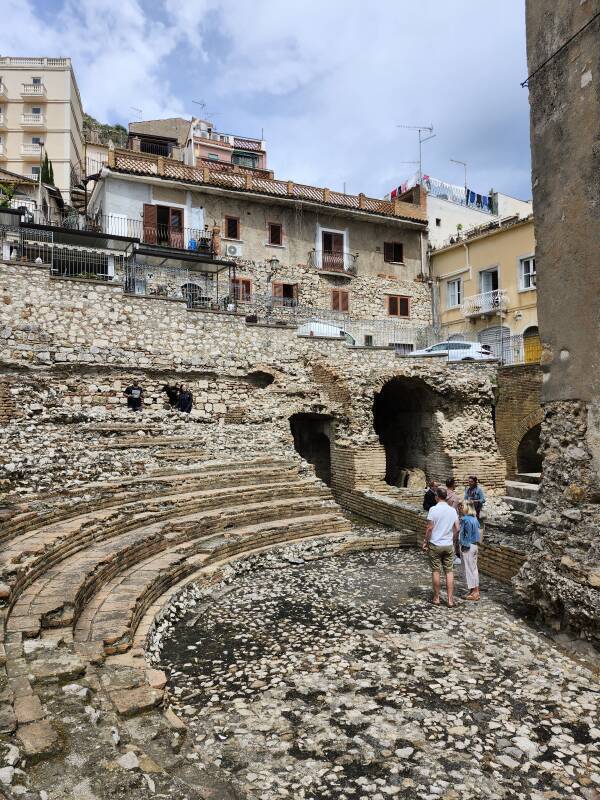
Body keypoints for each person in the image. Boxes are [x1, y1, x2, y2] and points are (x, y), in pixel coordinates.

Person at [423, 486, 460, 607]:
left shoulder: (433, 510)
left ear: (437, 497)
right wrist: (453, 539)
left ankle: (437, 598)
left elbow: (429, 528)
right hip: (448, 544)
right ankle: (450, 600)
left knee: (436, 571)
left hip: (435, 544)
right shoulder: (452, 511)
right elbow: (457, 528)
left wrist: (426, 541)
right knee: (449, 572)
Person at [458, 501, 481, 601]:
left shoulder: (465, 520)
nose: (460, 507)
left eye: (462, 506)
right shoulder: (475, 519)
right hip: (475, 545)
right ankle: (475, 591)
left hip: (468, 546)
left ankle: (474, 592)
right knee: (474, 569)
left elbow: (465, 534)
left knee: (468, 569)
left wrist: (464, 546)